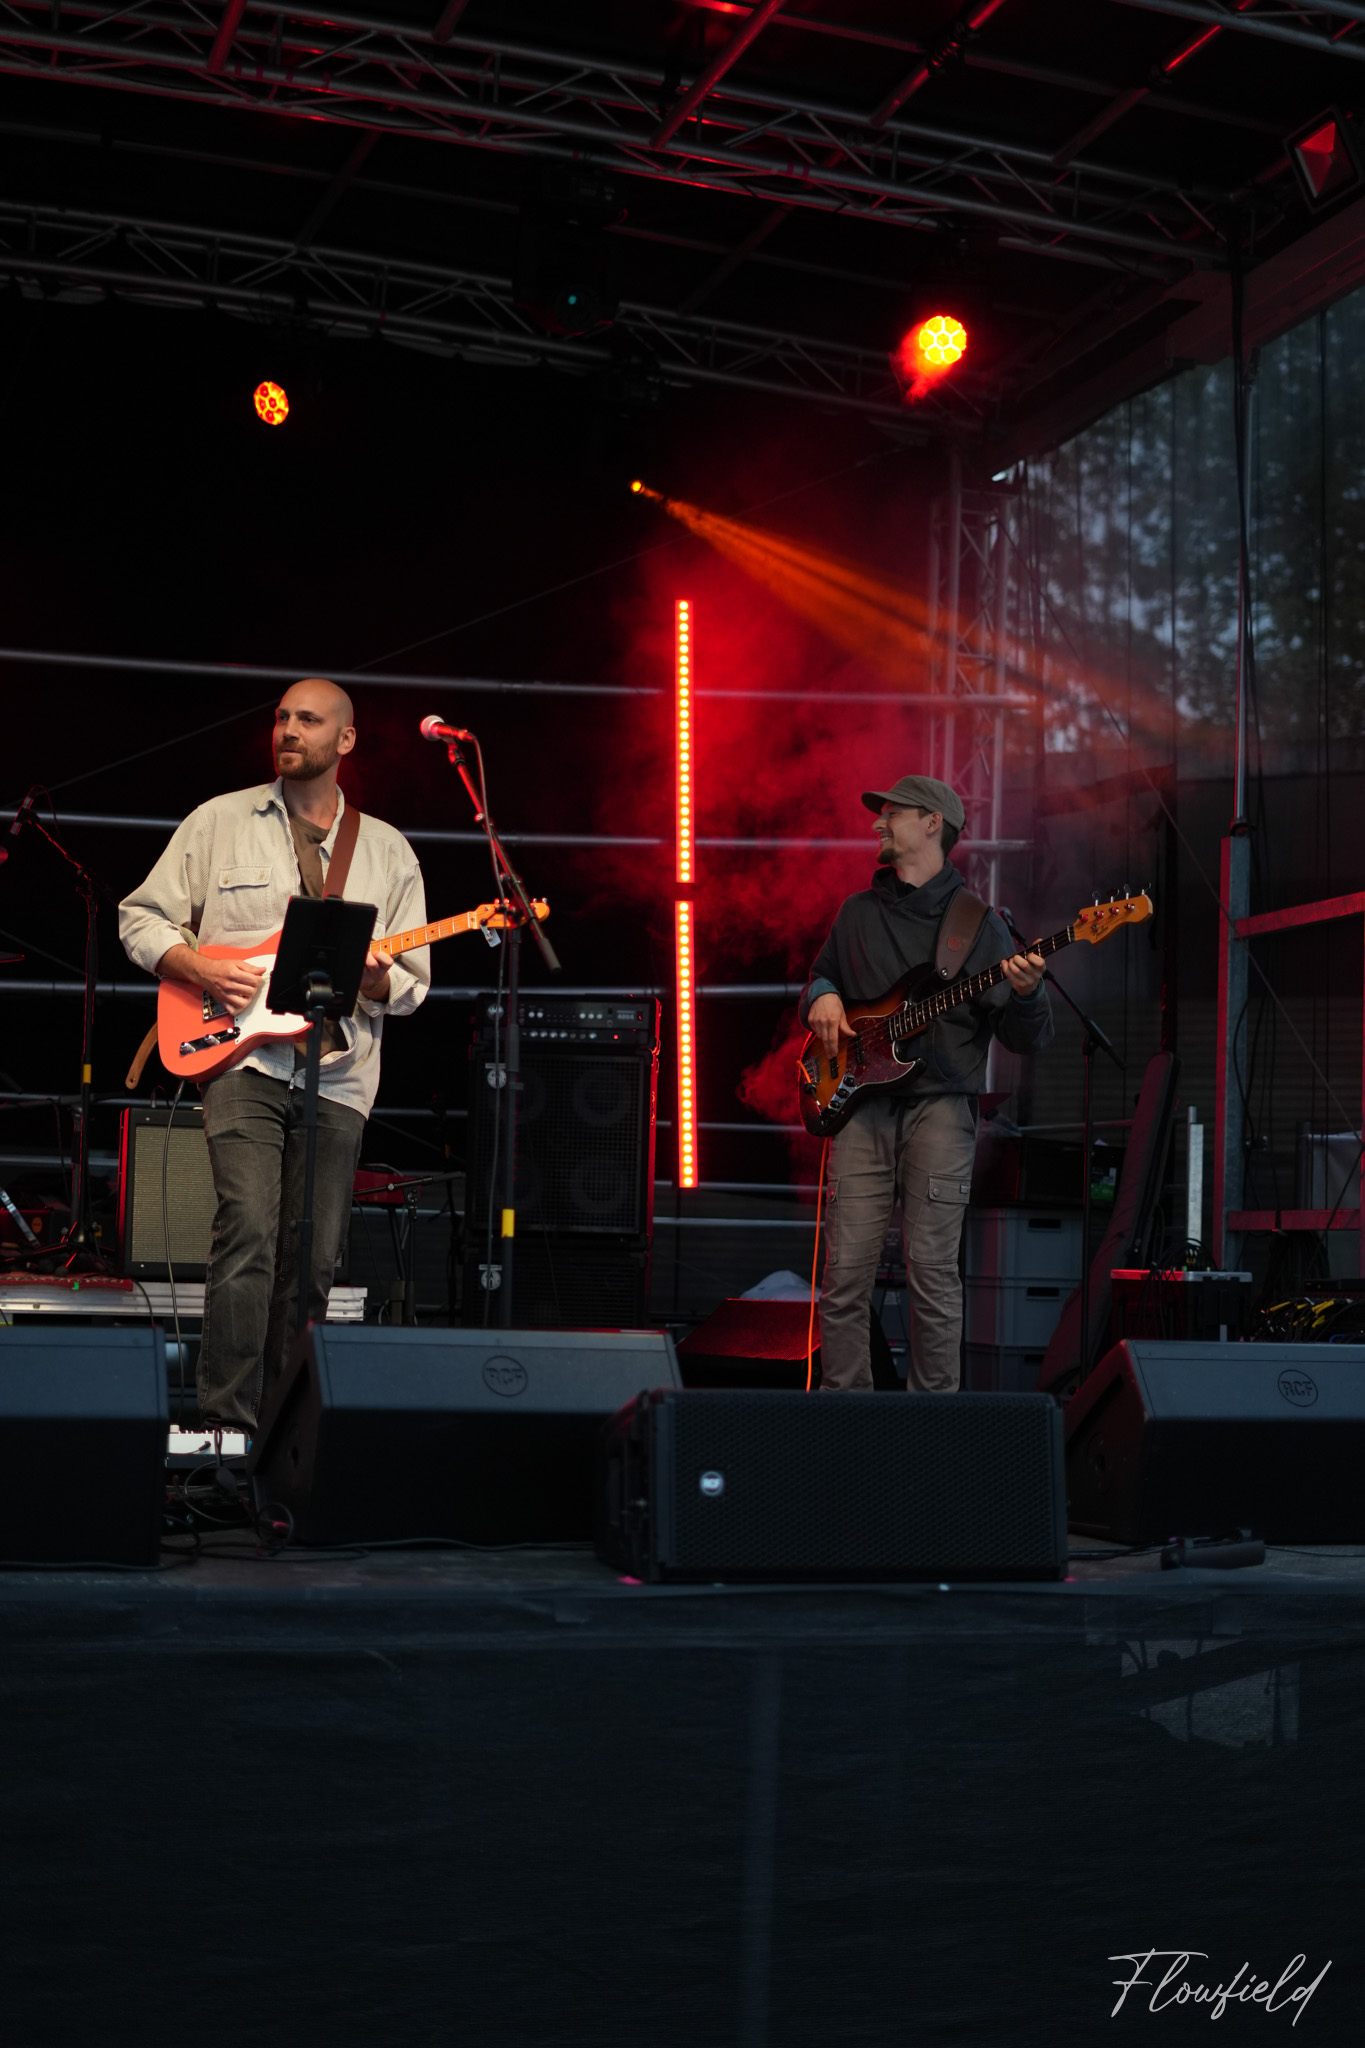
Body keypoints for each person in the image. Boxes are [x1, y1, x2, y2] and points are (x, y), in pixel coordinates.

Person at [120, 678, 430, 1431]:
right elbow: (140, 918)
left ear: (345, 740)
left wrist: (376, 977)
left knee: (314, 1258)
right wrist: (198, 968)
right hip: (243, 1063)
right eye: (283, 717)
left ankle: (289, 1432)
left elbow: (412, 987)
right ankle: (227, 1426)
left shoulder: (387, 850)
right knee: (249, 1229)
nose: (288, 729)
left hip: (340, 1077)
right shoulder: (219, 820)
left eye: (308, 720)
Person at [801, 774, 1052, 1394]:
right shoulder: (856, 913)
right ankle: (843, 1416)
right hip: (857, 1108)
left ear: (932, 823)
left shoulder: (978, 923)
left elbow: (1026, 1038)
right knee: (844, 1279)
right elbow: (820, 977)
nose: (877, 823)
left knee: (933, 1277)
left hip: (939, 1109)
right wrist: (822, 996)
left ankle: (932, 1424)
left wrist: (1029, 994)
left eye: (892, 814)